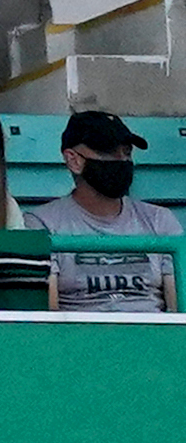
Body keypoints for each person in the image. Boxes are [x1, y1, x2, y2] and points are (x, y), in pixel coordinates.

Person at [31, 110, 184, 314]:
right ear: (74, 160)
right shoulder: (42, 224)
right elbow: (48, 319)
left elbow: (177, 312)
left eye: (127, 152)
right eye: (108, 152)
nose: (121, 160)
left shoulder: (159, 220)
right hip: (79, 340)